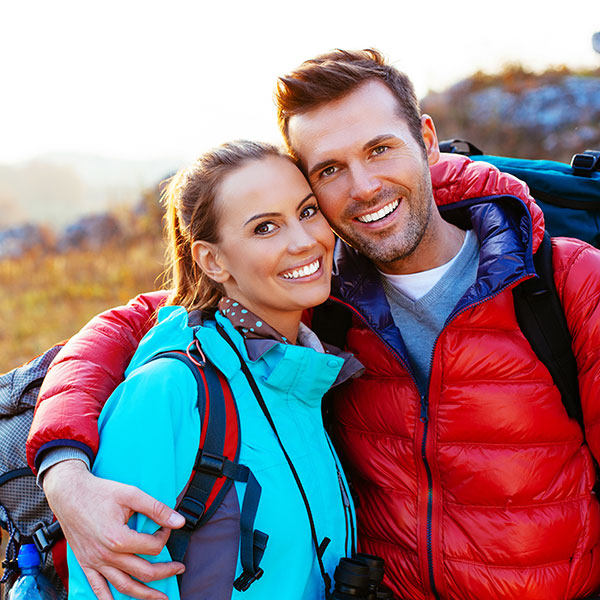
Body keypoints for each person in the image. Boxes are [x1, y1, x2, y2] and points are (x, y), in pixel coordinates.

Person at [27, 49, 600, 600]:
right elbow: (126, 332)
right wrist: (64, 473)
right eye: (329, 169)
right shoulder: (318, 292)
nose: (363, 186)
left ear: (426, 141)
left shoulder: (566, 281)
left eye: (380, 149)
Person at [64, 140, 360, 599]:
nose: (305, 241)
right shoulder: (169, 391)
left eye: (306, 212)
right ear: (213, 260)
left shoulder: (300, 373)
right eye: (265, 227)